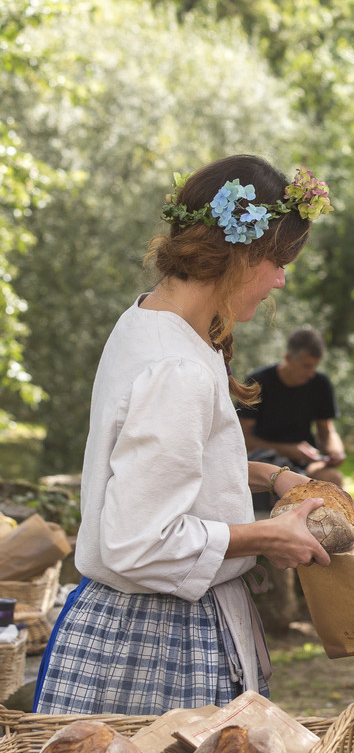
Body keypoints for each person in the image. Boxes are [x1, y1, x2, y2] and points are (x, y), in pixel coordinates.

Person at [35, 156, 335, 713]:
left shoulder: (147, 322)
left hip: (144, 625)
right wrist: (266, 537)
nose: (281, 278)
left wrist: (272, 475)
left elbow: (169, 466)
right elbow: (140, 543)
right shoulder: (177, 368)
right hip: (158, 643)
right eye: (277, 260)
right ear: (241, 253)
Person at [238, 326, 345, 499]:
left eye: (314, 367)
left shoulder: (320, 384)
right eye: (306, 366)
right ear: (288, 358)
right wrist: (287, 450)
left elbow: (327, 431)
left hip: (305, 464)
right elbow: (241, 438)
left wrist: (335, 452)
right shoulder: (258, 381)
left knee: (332, 479)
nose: (311, 374)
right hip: (263, 461)